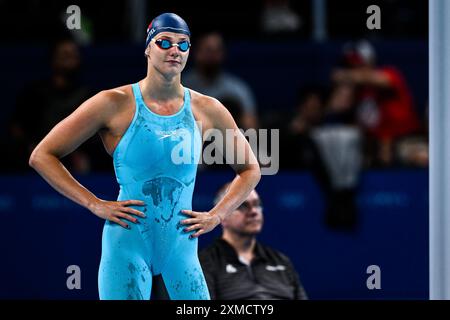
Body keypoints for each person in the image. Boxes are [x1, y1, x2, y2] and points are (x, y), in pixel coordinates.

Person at [29, 13, 261, 300]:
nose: (175, 50)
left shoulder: (208, 108)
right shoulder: (113, 103)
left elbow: (251, 168)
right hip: (127, 244)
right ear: (147, 48)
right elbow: (42, 155)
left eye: (183, 44)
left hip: (181, 250)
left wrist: (217, 215)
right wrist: (94, 203)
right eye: (164, 42)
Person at [199, 184, 308, 300]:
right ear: (222, 215)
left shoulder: (281, 260)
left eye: (257, 204)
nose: (254, 211)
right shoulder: (205, 262)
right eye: (243, 206)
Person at [183, 31, 259, 129]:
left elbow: (251, 127)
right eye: (208, 50)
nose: (213, 56)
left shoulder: (237, 88)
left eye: (217, 50)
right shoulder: (182, 86)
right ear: (197, 53)